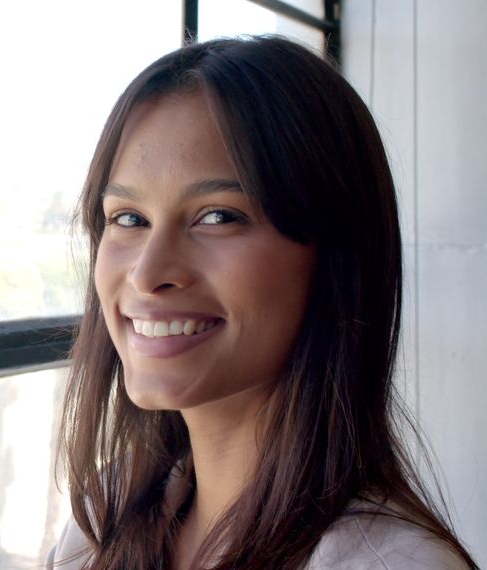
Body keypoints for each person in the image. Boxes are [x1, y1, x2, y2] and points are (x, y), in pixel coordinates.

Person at [45, 36, 479, 569]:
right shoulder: (104, 515)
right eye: (129, 219)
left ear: (334, 254)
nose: (148, 273)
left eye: (219, 216)